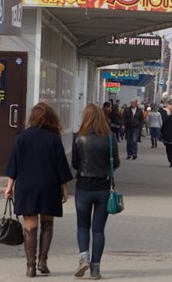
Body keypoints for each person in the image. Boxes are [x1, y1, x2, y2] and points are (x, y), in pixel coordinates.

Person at [3, 102, 73, 278]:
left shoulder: (21, 138)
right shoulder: (54, 139)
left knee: (30, 226)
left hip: (27, 187)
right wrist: (64, 188)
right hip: (49, 186)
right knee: (47, 224)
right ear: (51, 118)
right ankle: (43, 261)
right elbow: (61, 167)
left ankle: (30, 267)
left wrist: (9, 187)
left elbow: (14, 165)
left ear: (32, 118)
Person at [71, 104, 120, 280]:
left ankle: (83, 257)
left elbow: (76, 164)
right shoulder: (109, 137)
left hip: (83, 187)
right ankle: (95, 269)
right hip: (103, 188)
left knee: (82, 226)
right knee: (98, 230)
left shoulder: (78, 137)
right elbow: (117, 162)